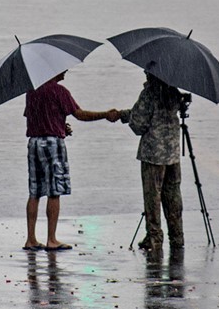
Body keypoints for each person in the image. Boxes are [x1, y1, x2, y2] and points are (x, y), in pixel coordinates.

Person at [23, 71, 119, 251]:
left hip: (34, 143)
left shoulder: (32, 91)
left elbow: (33, 117)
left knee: (34, 192)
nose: (66, 71)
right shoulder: (59, 91)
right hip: (53, 144)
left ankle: (31, 239)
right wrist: (105, 114)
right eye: (63, 69)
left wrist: (59, 124)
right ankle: (52, 239)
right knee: (54, 191)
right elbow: (80, 114)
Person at [119, 71, 185, 254]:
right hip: (172, 153)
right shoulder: (173, 91)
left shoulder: (149, 93)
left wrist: (126, 117)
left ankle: (154, 238)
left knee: (152, 197)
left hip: (153, 155)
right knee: (173, 195)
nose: (144, 73)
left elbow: (138, 125)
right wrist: (125, 114)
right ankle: (177, 236)